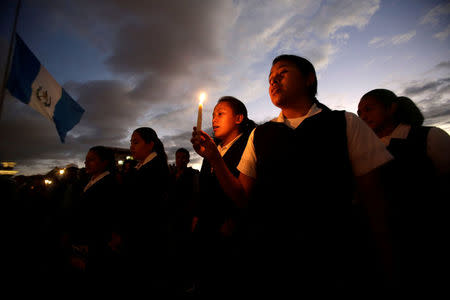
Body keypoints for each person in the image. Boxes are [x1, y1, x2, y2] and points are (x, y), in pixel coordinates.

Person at [191, 55, 395, 294]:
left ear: (309, 79)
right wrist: (215, 157)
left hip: (335, 258)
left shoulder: (344, 123)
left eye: (282, 73)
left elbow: (375, 201)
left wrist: (388, 263)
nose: (273, 82)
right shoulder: (261, 135)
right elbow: (242, 196)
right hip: (272, 258)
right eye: (270, 79)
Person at [358, 89, 450, 288]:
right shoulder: (365, 150)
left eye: (368, 109)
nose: (363, 116)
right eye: (359, 113)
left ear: (391, 108)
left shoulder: (430, 136)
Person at [191, 96, 257, 296]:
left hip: (231, 230)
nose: (214, 120)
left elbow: (249, 192)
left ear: (238, 118)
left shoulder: (249, 145)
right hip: (207, 225)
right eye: (212, 115)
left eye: (220, 114)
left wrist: (236, 219)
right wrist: (197, 214)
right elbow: (204, 186)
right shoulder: (213, 148)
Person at [121, 127, 170, 293]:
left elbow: (141, 208)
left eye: (136, 142)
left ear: (150, 144)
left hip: (146, 238)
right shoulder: (140, 168)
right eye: (131, 143)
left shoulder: (154, 169)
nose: (131, 147)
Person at [61, 146, 122, 275]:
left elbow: (103, 218)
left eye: (91, 160)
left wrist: (86, 243)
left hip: (92, 245)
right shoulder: (91, 180)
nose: (86, 163)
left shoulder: (109, 184)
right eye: (86, 160)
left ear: (104, 162)